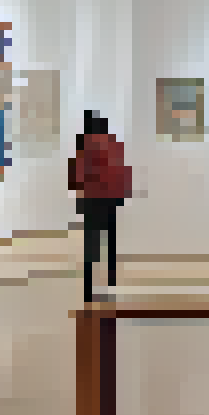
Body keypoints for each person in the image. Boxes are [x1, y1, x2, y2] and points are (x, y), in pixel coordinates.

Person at [68, 110, 132, 301]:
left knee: (91, 243)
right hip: (111, 197)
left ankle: (89, 287)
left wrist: (78, 193)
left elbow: (77, 172)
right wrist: (122, 193)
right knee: (110, 240)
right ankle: (111, 280)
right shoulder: (113, 143)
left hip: (92, 198)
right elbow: (122, 169)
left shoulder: (84, 144)